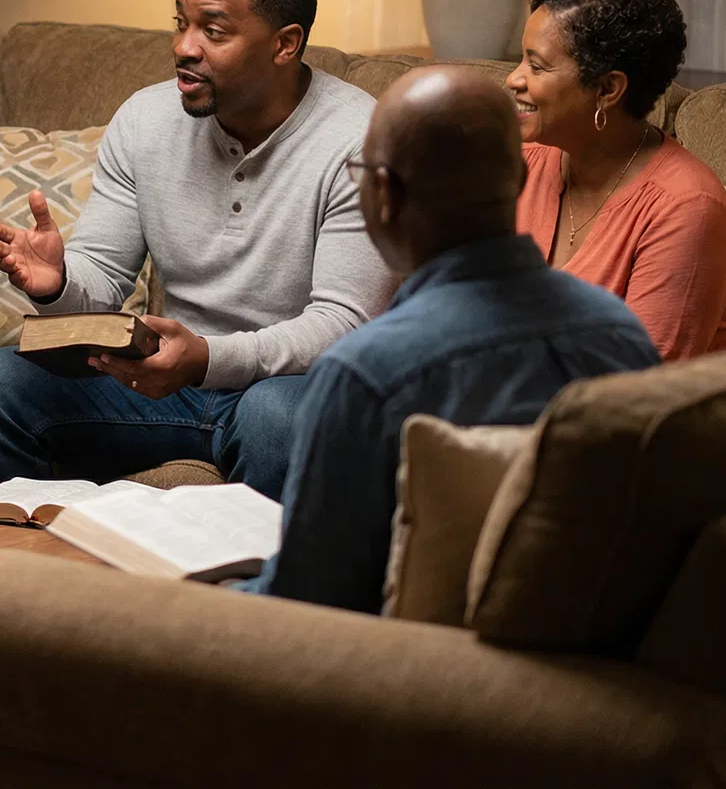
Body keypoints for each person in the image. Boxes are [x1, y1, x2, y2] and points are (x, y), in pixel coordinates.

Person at [0, 0, 391, 500]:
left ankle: (252, 587)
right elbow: (103, 277)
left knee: (278, 419)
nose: (184, 47)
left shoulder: (361, 139)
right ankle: (29, 575)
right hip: (165, 383)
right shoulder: (144, 120)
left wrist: (209, 358)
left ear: (285, 44)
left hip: (283, 385)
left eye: (213, 31)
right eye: (180, 22)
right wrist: (60, 282)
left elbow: (342, 324)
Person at [245, 65, 660, 612]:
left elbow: (307, 606)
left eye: (359, 172)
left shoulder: (366, 376)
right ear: (518, 181)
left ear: (385, 194)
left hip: (408, 680)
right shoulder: (622, 335)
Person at [510, 0, 726, 360]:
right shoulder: (521, 164)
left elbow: (632, 392)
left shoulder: (686, 210)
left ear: (607, 89)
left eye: (536, 66)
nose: (514, 79)